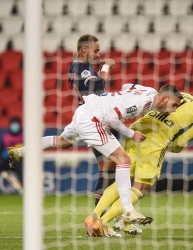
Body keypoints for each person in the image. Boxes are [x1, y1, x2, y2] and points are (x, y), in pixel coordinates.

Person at [8, 84, 183, 237]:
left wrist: (117, 98)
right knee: (123, 160)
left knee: (63, 142)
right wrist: (132, 134)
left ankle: (20, 152)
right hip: (95, 120)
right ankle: (128, 209)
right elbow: (111, 119)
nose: (174, 110)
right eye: (174, 105)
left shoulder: (149, 91)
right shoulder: (142, 103)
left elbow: (128, 86)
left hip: (85, 110)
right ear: (164, 99)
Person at [85, 88, 193, 237]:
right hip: (157, 138)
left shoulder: (181, 95)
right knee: (141, 187)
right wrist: (169, 146)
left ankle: (94, 217)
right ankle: (102, 222)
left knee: (124, 181)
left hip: (137, 130)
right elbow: (181, 141)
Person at [67, 34, 118, 212]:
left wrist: (97, 63)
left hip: (92, 120)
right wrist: (105, 66)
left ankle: (102, 216)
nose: (98, 54)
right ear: (84, 49)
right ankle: (103, 216)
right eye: (95, 51)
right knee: (118, 165)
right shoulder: (82, 68)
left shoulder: (76, 67)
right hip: (97, 122)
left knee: (108, 168)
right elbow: (97, 86)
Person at [0, 116, 23, 193]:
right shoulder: (5, 137)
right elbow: (0, 153)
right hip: (7, 161)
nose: (14, 126)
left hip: (19, 161)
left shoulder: (24, 136)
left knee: (21, 169)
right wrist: (8, 153)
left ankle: (24, 189)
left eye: (16, 124)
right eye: (13, 124)